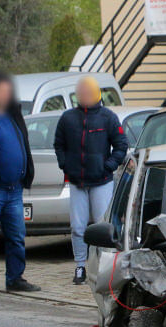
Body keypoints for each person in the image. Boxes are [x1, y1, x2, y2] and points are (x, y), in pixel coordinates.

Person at [54, 76, 128, 285]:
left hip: (102, 181)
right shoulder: (68, 118)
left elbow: (121, 145)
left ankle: (105, 265)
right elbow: (58, 144)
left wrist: (109, 165)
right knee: (77, 227)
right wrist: (65, 165)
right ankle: (80, 266)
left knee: (103, 226)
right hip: (77, 182)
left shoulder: (108, 118)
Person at [0, 71, 41, 297]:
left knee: (16, 237)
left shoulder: (14, 115)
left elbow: (23, 144)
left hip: (14, 191)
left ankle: (15, 279)